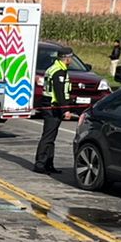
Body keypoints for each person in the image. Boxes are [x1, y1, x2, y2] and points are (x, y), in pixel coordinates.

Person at [34, 46, 73, 174]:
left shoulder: (55, 68)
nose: (71, 60)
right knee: (48, 136)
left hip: (51, 105)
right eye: (70, 58)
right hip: (53, 106)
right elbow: (59, 93)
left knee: (52, 137)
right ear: (66, 58)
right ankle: (40, 164)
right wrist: (65, 110)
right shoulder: (58, 71)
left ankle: (48, 164)